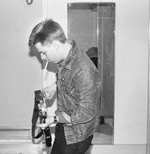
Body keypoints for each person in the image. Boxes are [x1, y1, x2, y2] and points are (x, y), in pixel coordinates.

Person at [28, 19, 101, 154]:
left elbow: (86, 113)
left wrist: (52, 119)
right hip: (65, 124)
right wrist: (55, 87)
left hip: (77, 134)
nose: (43, 57)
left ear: (55, 45)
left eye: (43, 52)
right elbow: (73, 83)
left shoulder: (84, 70)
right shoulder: (66, 59)